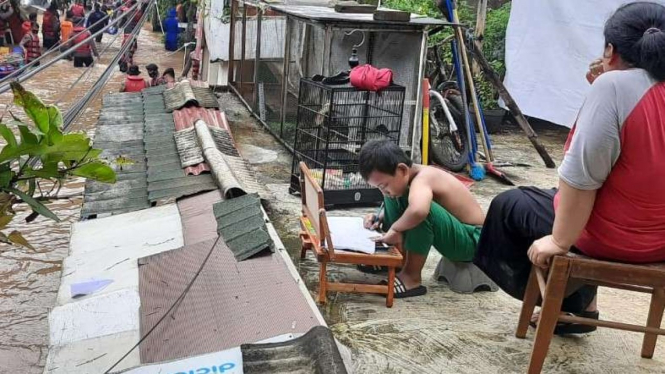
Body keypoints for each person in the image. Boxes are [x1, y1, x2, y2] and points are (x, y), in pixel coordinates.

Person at [474, 1, 665, 336]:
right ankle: (584, 305)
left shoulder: (615, 87)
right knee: (565, 208)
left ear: (610, 49)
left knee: (511, 206)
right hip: (660, 240)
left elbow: (581, 180)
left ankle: (567, 305)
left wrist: (560, 241)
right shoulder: (622, 88)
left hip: (614, 238)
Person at [358, 140, 485, 298]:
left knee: (422, 211)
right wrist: (379, 218)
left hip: (474, 242)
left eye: (383, 185)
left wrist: (396, 228)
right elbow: (403, 204)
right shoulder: (405, 180)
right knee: (394, 196)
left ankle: (411, 277)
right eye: (379, 188)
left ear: (402, 170)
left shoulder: (424, 178)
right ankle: (397, 259)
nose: (383, 191)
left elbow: (419, 211)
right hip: (457, 233)